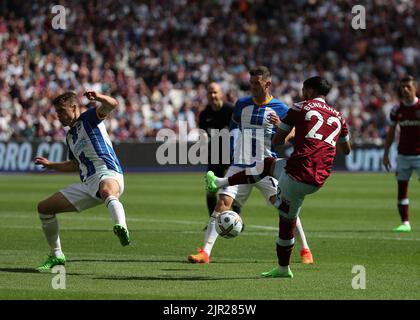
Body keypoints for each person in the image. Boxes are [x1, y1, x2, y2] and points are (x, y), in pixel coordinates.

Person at [207, 76, 351, 278]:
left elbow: (278, 140)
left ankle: (283, 267)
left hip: (297, 172)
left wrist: (283, 127)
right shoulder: (339, 117)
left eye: (303, 89)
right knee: (267, 166)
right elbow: (346, 150)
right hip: (318, 179)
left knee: (286, 218)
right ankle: (223, 182)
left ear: (309, 90)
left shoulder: (300, 107)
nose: (302, 93)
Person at [188, 66, 314, 265]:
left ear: (268, 84)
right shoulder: (241, 104)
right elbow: (233, 131)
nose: (253, 87)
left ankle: (305, 250)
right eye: (251, 83)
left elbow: (292, 137)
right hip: (239, 166)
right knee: (222, 204)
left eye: (257, 84)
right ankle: (205, 252)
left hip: (266, 167)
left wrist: (280, 126)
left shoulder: (281, 108)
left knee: (284, 208)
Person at [34, 91, 130, 271]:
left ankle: (121, 227)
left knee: (107, 191)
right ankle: (56, 256)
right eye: (57, 113)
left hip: (109, 173)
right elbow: (74, 165)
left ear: (74, 107)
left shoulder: (89, 118)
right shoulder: (70, 137)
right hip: (88, 184)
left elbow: (113, 104)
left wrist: (99, 97)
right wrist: (51, 165)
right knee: (44, 208)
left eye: (62, 111)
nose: (59, 116)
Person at [383, 75, 420, 232]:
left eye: (408, 87)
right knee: (402, 188)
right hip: (403, 154)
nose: (405, 90)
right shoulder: (396, 109)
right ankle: (405, 223)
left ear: (415, 88)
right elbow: (391, 133)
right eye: (403, 87)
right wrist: (386, 154)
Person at [199, 82, 240, 216]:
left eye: (215, 92)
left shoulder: (231, 110)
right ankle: (212, 219)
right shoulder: (204, 114)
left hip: (231, 156)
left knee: (231, 189)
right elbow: (204, 134)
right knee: (211, 189)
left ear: (221, 94)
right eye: (210, 92)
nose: (213, 95)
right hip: (215, 156)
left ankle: (236, 218)